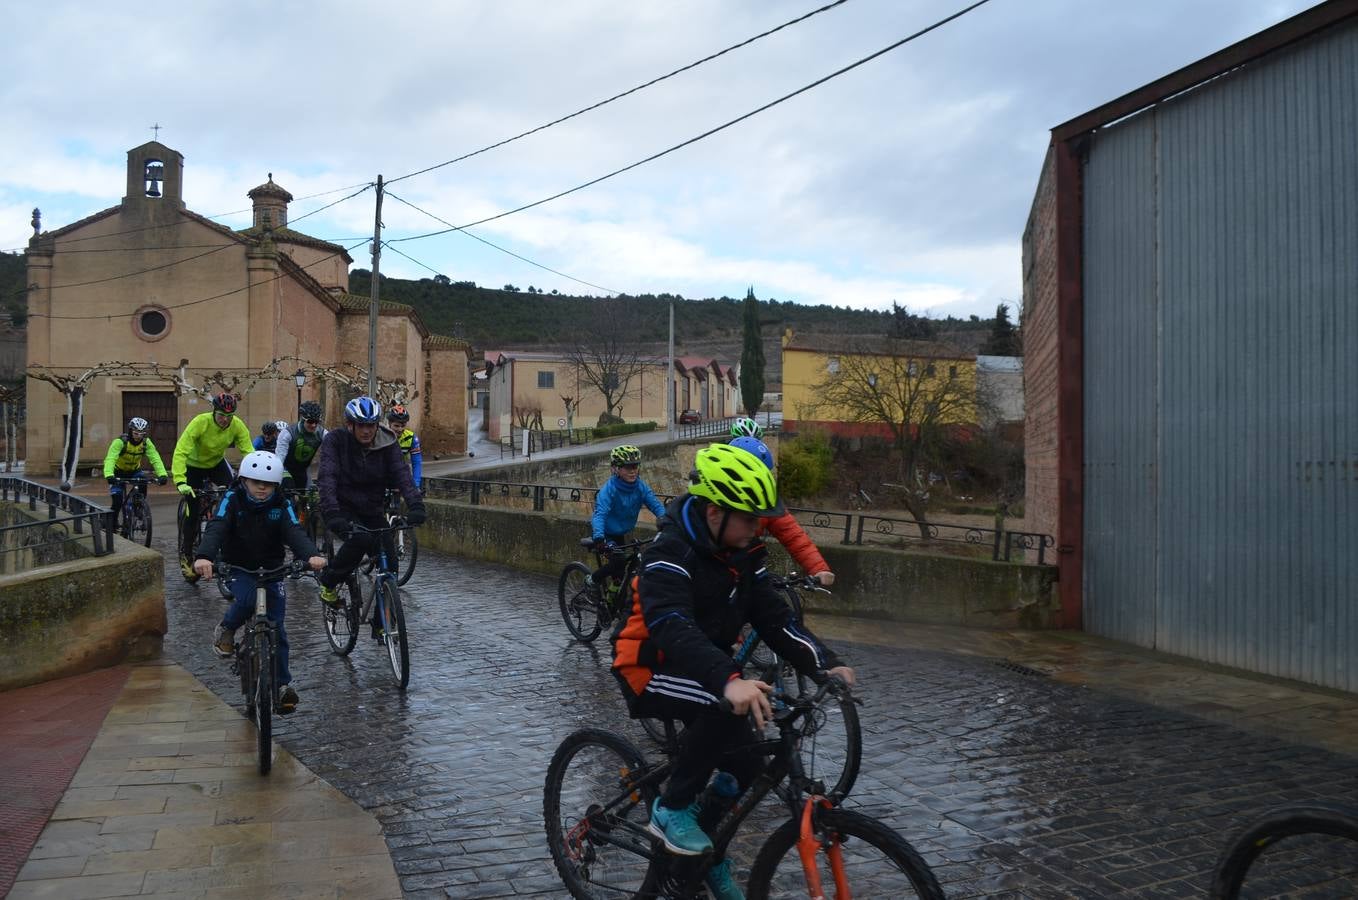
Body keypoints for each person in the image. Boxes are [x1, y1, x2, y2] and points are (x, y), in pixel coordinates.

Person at [611, 443, 854, 899]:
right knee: (720, 703)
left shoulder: (744, 552)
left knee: (748, 762)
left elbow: (775, 619)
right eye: (749, 518)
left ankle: (705, 856)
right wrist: (728, 679)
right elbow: (671, 625)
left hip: (702, 664)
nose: (758, 527)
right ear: (714, 513)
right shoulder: (670, 551)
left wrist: (826, 664)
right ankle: (672, 808)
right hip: (647, 664)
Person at [193, 451, 326, 714]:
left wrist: (310, 555)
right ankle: (228, 628)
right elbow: (217, 526)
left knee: (278, 628)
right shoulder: (232, 499)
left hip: (273, 568)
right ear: (244, 480)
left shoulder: (281, 503)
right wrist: (205, 556)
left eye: (268, 484)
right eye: (256, 482)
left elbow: (294, 531)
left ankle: (282, 685)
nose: (262, 488)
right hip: (238, 566)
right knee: (246, 598)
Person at [316, 396, 426, 636]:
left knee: (391, 563)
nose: (366, 431)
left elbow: (402, 475)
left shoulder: (388, 442)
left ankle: (382, 623)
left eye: (371, 425)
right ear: (350, 425)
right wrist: (332, 512)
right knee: (360, 539)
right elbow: (327, 477)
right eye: (361, 425)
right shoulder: (335, 441)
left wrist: (416, 504)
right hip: (342, 507)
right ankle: (329, 583)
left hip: (372, 508)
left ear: (377, 425)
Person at [729, 435, 834, 588]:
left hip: (747, 566)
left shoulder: (765, 500)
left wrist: (818, 568)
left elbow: (793, 535)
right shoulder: (711, 500)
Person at [172, 392, 254, 582]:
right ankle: (187, 554)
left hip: (216, 464)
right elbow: (181, 451)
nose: (225, 420)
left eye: (229, 416)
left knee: (233, 494)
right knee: (193, 510)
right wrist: (180, 481)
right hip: (193, 466)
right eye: (221, 415)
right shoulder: (200, 422)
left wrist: (254, 478)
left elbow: (249, 453)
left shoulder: (237, 425)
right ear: (214, 412)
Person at [589, 445, 665, 589]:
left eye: (635, 466)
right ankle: (592, 580)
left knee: (620, 576)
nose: (632, 471)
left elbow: (655, 505)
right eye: (627, 467)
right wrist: (599, 537)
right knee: (619, 562)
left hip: (620, 532)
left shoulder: (640, 487)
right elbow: (600, 514)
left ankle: (613, 599)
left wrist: (667, 521)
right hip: (605, 533)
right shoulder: (609, 490)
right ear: (616, 469)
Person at [103, 417, 168, 530]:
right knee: (117, 500)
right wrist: (109, 475)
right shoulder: (120, 442)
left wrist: (162, 474)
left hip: (134, 471)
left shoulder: (146, 443)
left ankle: (138, 507)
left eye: (142, 434)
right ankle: (113, 522)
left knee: (142, 482)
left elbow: (155, 458)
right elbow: (110, 459)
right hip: (117, 473)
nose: (138, 436)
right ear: (130, 431)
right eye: (136, 433)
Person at [276, 401, 326, 489]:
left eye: (316, 422)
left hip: (303, 469)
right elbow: (279, 459)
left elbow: (333, 453)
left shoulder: (322, 433)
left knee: (309, 493)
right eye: (310, 421)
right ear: (302, 420)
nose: (314, 425)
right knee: (287, 486)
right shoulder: (287, 433)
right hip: (286, 468)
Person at [386, 404, 423, 488]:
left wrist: (416, 484)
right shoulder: (381, 435)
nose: (400, 429)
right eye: (396, 426)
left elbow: (416, 463)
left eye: (403, 426)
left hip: (400, 474)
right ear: (389, 423)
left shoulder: (411, 438)